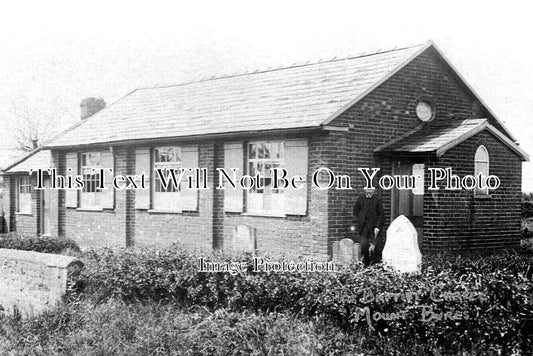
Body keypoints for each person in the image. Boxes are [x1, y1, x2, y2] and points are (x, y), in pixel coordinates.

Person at [353, 187, 384, 266]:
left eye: (371, 191)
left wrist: (377, 227)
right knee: (364, 245)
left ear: (373, 191)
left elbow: (381, 215)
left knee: (375, 246)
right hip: (364, 227)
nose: (369, 192)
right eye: (367, 190)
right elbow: (356, 211)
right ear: (365, 191)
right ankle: (366, 263)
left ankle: (374, 264)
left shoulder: (377, 200)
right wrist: (361, 219)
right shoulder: (360, 199)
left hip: (374, 227)